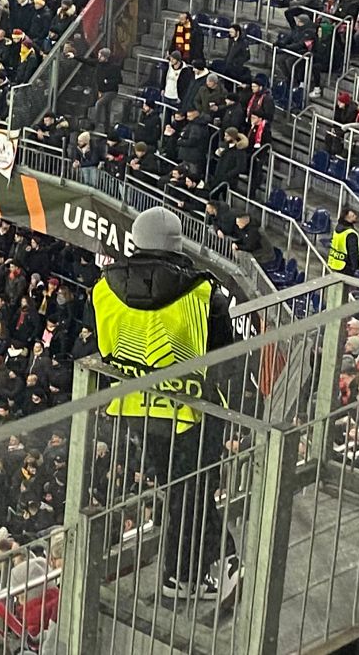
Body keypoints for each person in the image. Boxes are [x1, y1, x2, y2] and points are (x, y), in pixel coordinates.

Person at [93, 205, 240, 604]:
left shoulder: (103, 288)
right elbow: (225, 355)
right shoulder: (202, 291)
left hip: (135, 409)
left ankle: (188, 572)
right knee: (192, 491)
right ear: (177, 244)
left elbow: (104, 348)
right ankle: (210, 564)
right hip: (193, 412)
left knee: (181, 491)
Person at [329, 208, 359, 276]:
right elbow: (353, 252)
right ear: (346, 218)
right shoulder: (351, 233)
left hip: (335, 263)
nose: (355, 217)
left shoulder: (337, 228)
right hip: (346, 266)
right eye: (353, 216)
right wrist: (355, 268)